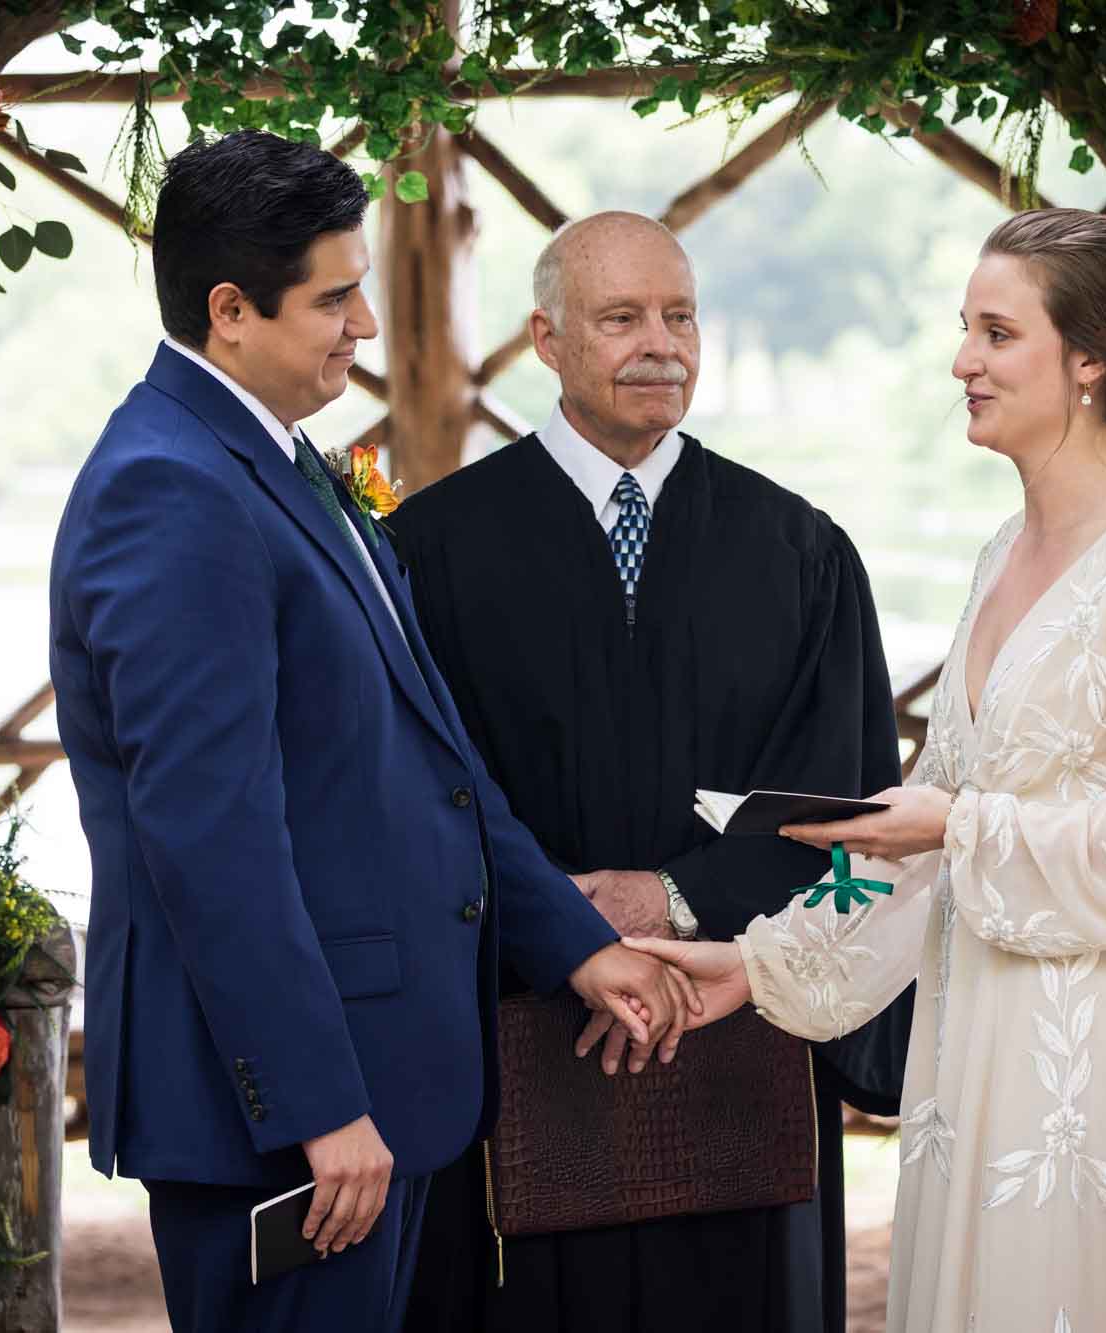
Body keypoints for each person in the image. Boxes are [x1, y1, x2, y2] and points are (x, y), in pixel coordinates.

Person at [48, 132, 690, 1333]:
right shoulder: (171, 489)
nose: (364, 328)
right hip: (290, 1119)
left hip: (371, 1079)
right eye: (334, 298)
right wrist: (312, 1103)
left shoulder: (279, 464)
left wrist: (571, 943)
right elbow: (208, 836)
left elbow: (433, 765)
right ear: (229, 310)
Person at [629, 207, 1106, 1331]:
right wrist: (757, 963)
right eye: (963, 328)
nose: (959, 360)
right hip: (973, 1039)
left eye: (994, 333)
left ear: (1088, 360)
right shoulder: (998, 554)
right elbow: (920, 839)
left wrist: (956, 827)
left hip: (1096, 1052)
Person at [389, 211, 910, 1333]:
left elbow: (846, 806)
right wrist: (567, 930)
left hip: (736, 1038)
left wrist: (665, 901)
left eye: (678, 315)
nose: (658, 344)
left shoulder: (798, 552)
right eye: (620, 318)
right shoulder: (430, 549)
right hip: (517, 1040)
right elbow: (418, 794)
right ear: (547, 336)